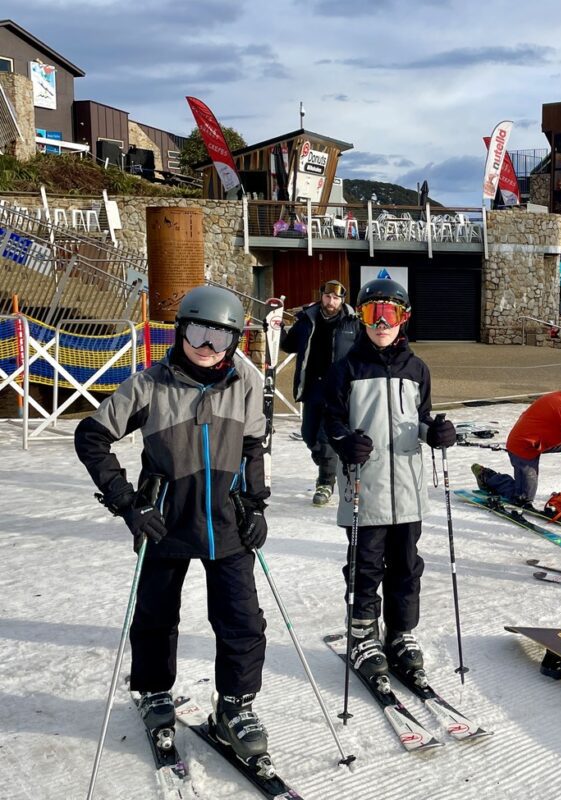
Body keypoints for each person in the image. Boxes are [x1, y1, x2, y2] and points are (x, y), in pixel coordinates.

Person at [74, 285, 273, 764]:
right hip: (164, 524)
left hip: (226, 525)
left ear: (234, 342)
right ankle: (153, 691)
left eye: (221, 338)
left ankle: (235, 707)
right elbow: (91, 436)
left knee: (242, 620)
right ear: (181, 329)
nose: (207, 347)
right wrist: (129, 504)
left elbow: (251, 449)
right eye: (199, 332)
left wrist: (256, 504)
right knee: (156, 617)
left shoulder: (244, 383)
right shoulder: (149, 385)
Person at [322, 278, 457, 684]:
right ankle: (363, 633)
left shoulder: (417, 369)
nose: (381, 323)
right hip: (368, 489)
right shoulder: (345, 369)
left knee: (406, 566)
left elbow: (423, 417)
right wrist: (346, 442)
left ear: (404, 318)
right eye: (371, 313)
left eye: (390, 314)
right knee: (365, 567)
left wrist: (435, 432)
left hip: (409, 493)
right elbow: (331, 422)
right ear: (360, 318)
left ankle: (400, 633)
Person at [281, 280, 360, 506]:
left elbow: (363, 351)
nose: (331, 302)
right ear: (321, 296)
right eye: (327, 297)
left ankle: (325, 483)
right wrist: (277, 329)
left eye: (335, 298)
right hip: (312, 386)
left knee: (326, 437)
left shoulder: (353, 322)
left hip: (338, 389)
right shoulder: (308, 319)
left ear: (342, 300)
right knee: (308, 434)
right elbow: (290, 345)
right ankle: (330, 464)